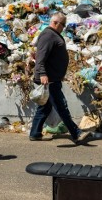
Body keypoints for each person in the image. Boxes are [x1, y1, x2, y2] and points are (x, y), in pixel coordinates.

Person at [29, 12, 92, 143]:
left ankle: (35, 133)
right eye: (63, 25)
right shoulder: (48, 35)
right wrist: (42, 74)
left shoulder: (53, 35)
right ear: (55, 23)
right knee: (61, 106)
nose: (63, 28)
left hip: (52, 78)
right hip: (48, 79)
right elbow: (40, 57)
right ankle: (76, 133)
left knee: (45, 107)